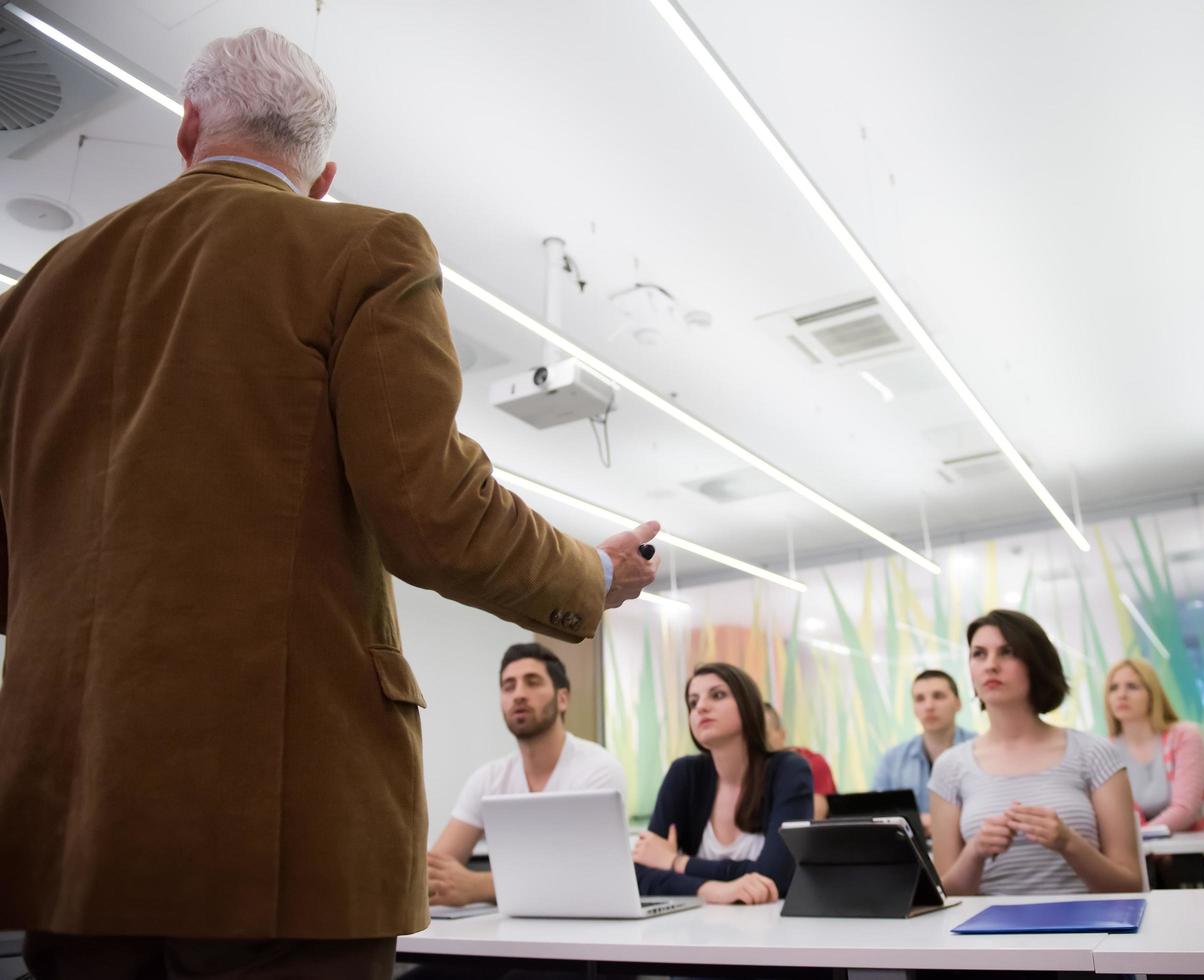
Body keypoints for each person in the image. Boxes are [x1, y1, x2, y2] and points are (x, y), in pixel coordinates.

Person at [0, 28, 661, 979]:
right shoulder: (360, 247)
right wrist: (591, 574)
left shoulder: (33, 299)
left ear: (188, 129)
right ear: (322, 174)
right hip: (282, 838)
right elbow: (428, 506)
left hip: (63, 839)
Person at [930, 610, 1142, 895]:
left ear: (1035, 663)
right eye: (979, 654)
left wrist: (1068, 843)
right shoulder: (949, 767)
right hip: (985, 937)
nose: (991, 665)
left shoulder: (1094, 753)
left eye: (1007, 652)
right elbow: (945, 895)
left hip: (1088, 933)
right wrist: (976, 852)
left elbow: (1130, 885)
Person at [426, 644, 627, 907]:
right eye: (508, 686)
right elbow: (437, 868)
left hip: (584, 930)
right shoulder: (488, 778)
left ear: (562, 698)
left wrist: (482, 886)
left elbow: (589, 875)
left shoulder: (598, 769)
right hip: (503, 931)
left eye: (532, 683)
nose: (519, 694)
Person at [632, 664, 813, 904]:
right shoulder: (684, 774)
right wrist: (711, 890)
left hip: (772, 929)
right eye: (693, 702)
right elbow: (641, 873)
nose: (701, 707)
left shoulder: (789, 770)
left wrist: (676, 862)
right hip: (696, 929)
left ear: (748, 706)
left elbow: (777, 877)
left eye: (717, 695)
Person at [1104, 657, 1204, 832]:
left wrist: (1140, 840)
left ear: (1152, 694)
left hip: (1196, 851)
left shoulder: (1185, 735)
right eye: (1113, 688)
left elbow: (1185, 809)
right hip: (1142, 855)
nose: (1121, 695)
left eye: (1132, 686)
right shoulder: (1105, 750)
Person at [871, 669, 976, 827]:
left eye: (938, 696)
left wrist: (937, 823)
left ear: (958, 703)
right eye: (920, 699)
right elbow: (875, 815)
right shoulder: (892, 760)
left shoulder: (981, 751)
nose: (929, 706)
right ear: (914, 708)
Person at [763, 702, 836, 819]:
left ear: (782, 734)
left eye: (764, 735)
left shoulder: (812, 764)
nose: (760, 743)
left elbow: (811, 822)